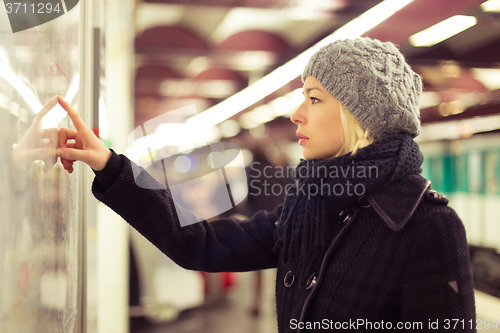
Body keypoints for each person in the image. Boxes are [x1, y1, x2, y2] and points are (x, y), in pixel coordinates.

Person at [56, 38, 476, 332]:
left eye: (314, 98)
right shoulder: (309, 209)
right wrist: (111, 166)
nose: (296, 114)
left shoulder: (428, 227)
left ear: (359, 115)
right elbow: (199, 244)